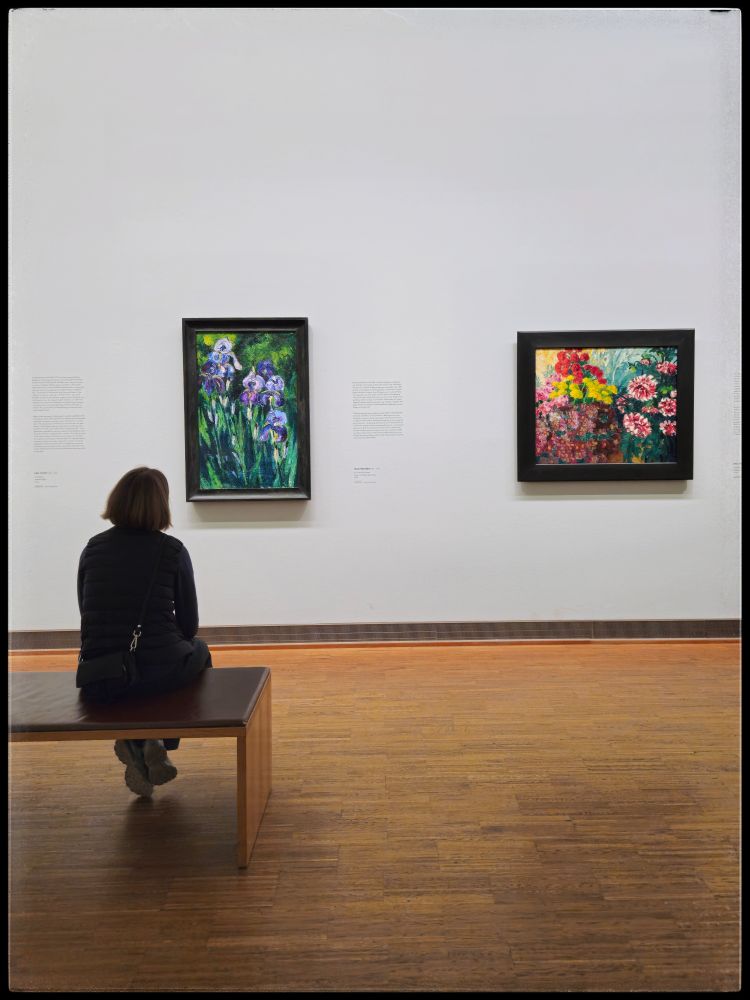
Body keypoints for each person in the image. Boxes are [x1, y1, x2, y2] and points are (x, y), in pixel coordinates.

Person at [77, 467, 212, 798]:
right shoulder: (172, 550)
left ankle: (139, 741)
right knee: (200, 650)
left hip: (102, 675)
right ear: (161, 505)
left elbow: (87, 614)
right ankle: (160, 739)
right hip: (157, 671)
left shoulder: (92, 549)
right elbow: (189, 625)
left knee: (141, 676)